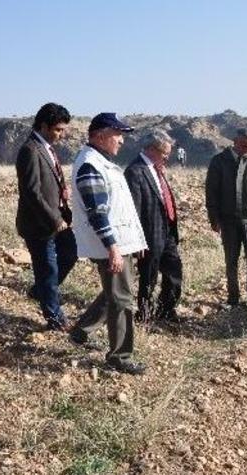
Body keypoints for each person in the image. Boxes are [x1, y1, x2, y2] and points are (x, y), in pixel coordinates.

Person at [68, 113, 147, 375]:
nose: (122, 141)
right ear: (100, 135)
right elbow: (97, 212)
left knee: (115, 291)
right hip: (110, 245)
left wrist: (135, 240)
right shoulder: (91, 165)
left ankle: (82, 330)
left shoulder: (102, 162)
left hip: (120, 242)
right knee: (122, 299)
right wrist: (112, 247)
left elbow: (118, 209)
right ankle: (120, 356)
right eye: (117, 134)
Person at [15, 103, 77, 331]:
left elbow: (47, 182)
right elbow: (32, 192)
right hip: (39, 225)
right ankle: (55, 319)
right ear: (43, 125)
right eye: (58, 129)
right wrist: (54, 219)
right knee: (48, 270)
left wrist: (62, 192)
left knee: (70, 254)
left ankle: (40, 290)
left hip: (58, 219)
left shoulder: (47, 148)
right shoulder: (30, 150)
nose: (62, 135)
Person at [205, 128, 247, 307]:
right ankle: (233, 298)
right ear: (235, 141)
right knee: (231, 260)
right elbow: (211, 193)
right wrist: (214, 219)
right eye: (244, 145)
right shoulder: (219, 162)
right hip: (228, 220)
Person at [125, 130, 182, 323]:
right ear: (151, 149)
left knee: (174, 272)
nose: (167, 157)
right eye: (164, 152)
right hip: (149, 234)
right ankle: (145, 314)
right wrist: (137, 240)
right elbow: (134, 209)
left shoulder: (157, 168)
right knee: (148, 277)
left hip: (167, 232)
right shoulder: (135, 171)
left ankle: (166, 309)